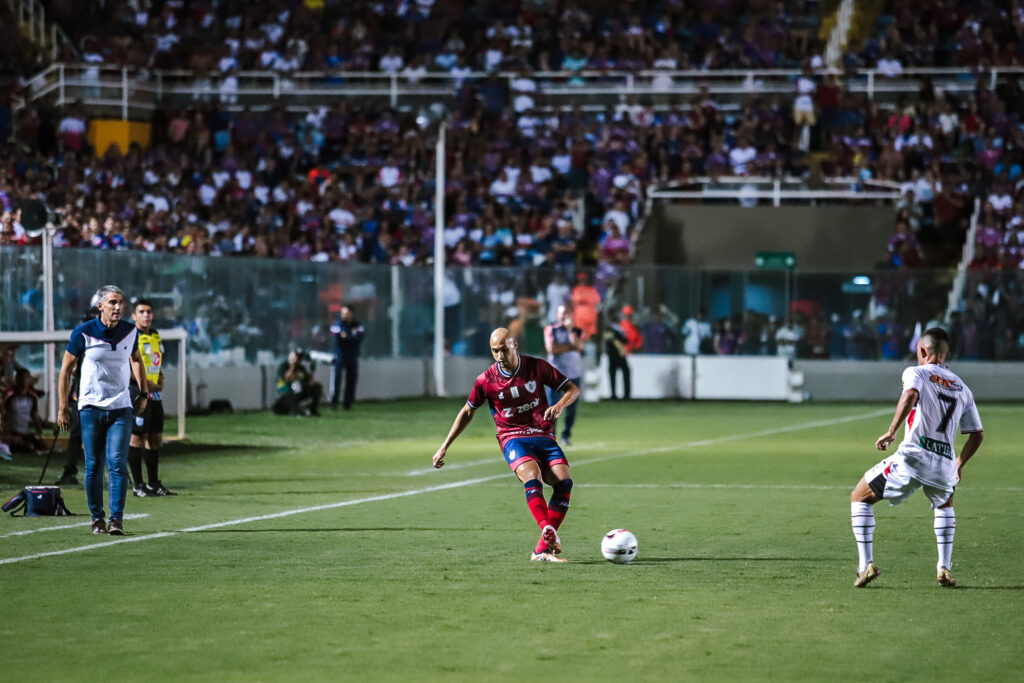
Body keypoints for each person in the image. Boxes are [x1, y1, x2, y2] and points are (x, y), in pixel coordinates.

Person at [849, 328, 984, 588]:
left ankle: (865, 566)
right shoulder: (963, 388)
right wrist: (959, 463)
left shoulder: (916, 372)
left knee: (860, 496)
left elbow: (910, 395)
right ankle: (944, 567)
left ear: (922, 351)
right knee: (945, 504)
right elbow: (977, 434)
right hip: (944, 462)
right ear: (947, 355)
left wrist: (891, 432)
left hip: (914, 457)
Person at [432, 328, 580, 562]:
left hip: (543, 435)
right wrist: (444, 446)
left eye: (503, 349)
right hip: (512, 437)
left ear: (515, 345)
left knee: (564, 483)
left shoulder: (537, 367)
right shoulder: (486, 380)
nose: (499, 355)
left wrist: (559, 405)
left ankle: (541, 549)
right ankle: (546, 528)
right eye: (494, 351)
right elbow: (467, 411)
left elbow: (573, 389)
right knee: (533, 477)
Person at [57, 285, 149, 536]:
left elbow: (136, 360)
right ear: (101, 306)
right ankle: (97, 518)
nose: (118, 307)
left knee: (117, 463)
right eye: (112, 303)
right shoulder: (83, 333)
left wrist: (143, 392)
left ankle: (116, 519)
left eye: (121, 303)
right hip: (90, 408)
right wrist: (63, 406)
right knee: (94, 465)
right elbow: (65, 370)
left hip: (120, 408)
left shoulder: (130, 331)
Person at [129, 299, 176, 497]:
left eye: (149, 311)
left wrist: (161, 378)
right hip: (138, 392)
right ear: (134, 316)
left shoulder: (155, 335)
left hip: (155, 393)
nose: (146, 315)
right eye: (142, 312)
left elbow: (156, 361)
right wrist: (144, 384)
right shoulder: (130, 336)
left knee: (155, 437)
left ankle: (154, 483)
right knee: (137, 437)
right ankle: (138, 485)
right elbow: (126, 366)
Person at [544, 303, 585, 446]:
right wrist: (570, 347)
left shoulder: (577, 331)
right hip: (555, 376)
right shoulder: (551, 329)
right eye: (561, 313)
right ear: (557, 315)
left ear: (570, 315)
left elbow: (579, 346)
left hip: (574, 374)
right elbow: (552, 349)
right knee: (552, 406)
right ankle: (551, 436)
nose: (563, 316)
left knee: (571, 408)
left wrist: (569, 331)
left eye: (566, 313)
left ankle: (566, 435)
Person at [330, 304, 365, 410]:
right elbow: (337, 338)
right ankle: (334, 401)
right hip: (340, 356)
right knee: (337, 379)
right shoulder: (337, 325)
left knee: (351, 380)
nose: (344, 315)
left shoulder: (358, 326)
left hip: (352, 356)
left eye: (346, 313)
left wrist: (346, 336)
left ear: (351, 314)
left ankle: (348, 403)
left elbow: (359, 338)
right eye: (343, 313)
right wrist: (350, 337)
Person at [604, 305, 643, 400]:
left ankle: (614, 394)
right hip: (620, 353)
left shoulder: (610, 328)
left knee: (613, 373)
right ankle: (625, 395)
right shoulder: (618, 328)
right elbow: (624, 340)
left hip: (612, 354)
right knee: (625, 372)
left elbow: (608, 340)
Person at [2, 368, 45, 452]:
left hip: (24, 433)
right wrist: (6, 434)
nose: (24, 381)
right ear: (17, 380)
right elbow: (2, 415)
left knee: (37, 447)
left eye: (26, 378)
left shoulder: (32, 397)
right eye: (21, 378)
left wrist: (40, 435)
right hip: (11, 434)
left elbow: (35, 416)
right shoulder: (9, 395)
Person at [273, 349, 322, 416]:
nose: (297, 359)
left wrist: (311, 372)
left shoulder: (300, 368)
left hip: (299, 393)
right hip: (286, 393)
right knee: (294, 388)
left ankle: (313, 409)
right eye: (296, 356)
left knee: (317, 387)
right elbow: (285, 378)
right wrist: (293, 366)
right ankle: (295, 410)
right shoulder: (284, 365)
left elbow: (308, 380)